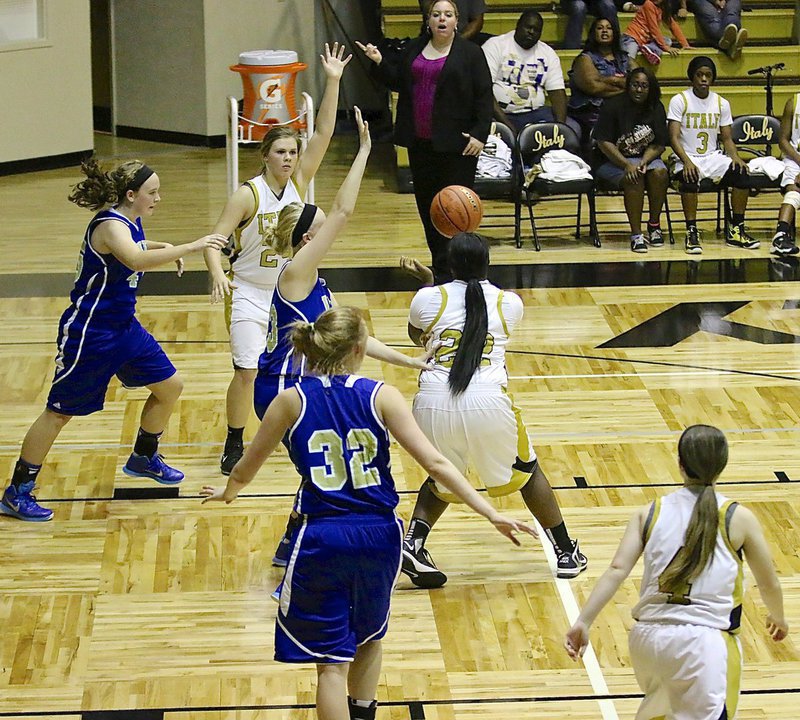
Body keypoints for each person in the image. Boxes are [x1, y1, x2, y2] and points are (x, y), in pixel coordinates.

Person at [200, 305, 536, 720]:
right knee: (371, 636)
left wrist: (229, 491)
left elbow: (248, 466)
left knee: (330, 666)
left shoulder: (290, 400)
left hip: (321, 535)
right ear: (360, 350)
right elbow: (438, 465)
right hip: (380, 534)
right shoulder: (382, 395)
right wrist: (490, 513)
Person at [253, 108, 433, 566]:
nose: (323, 228)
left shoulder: (312, 281)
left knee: (319, 472)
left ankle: (291, 548)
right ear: (306, 236)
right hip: (281, 387)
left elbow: (351, 340)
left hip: (294, 385)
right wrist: (366, 151)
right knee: (322, 474)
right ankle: (302, 553)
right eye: (315, 226)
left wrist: (408, 363)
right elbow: (345, 210)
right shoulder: (295, 272)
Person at [0, 159, 227, 522]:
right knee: (59, 413)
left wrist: (161, 244)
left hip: (124, 328)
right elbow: (135, 258)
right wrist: (190, 246)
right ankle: (17, 492)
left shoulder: (127, 220)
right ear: (131, 194)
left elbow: (136, 245)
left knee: (170, 386)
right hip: (91, 334)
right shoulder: (108, 225)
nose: (158, 198)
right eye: (152, 192)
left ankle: (143, 457)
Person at [400, 233, 587, 587]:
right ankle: (565, 552)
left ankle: (413, 542)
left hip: (433, 400)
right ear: (488, 263)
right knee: (527, 472)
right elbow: (472, 312)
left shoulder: (427, 298)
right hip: (487, 401)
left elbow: (419, 336)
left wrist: (427, 283)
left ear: (449, 265)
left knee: (443, 473)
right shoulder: (509, 303)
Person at [565, 424, 788, 720]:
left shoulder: (650, 511)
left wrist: (583, 620)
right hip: (702, 644)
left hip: (647, 641)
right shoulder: (738, 517)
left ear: (680, 464)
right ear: (722, 465)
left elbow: (617, 569)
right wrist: (778, 617)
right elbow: (768, 582)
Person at [204, 43, 351, 476]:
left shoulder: (301, 183)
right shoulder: (247, 193)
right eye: (281, 152)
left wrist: (333, 80)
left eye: (293, 152)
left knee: (324, 358)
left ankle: (314, 425)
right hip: (250, 289)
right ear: (265, 155)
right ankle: (235, 439)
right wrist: (217, 274)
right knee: (247, 371)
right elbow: (215, 241)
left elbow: (322, 133)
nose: (289, 158)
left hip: (293, 290)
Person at [357, 0, 493, 284]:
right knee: (430, 209)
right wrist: (379, 61)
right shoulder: (415, 49)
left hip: (458, 147)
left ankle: (463, 271)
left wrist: (481, 134)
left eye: (448, 15)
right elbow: (398, 82)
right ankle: (441, 270)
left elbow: (483, 96)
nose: (442, 19)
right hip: (421, 144)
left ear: (457, 21)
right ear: (428, 20)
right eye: (436, 15)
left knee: (457, 210)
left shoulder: (471, 54)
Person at [667, 56, 756, 255]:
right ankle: (691, 231)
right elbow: (673, 137)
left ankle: (736, 229)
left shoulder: (721, 103)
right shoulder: (679, 100)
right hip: (686, 155)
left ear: (713, 78)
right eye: (700, 75)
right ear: (692, 77)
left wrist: (736, 157)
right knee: (689, 179)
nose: (704, 79)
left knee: (741, 174)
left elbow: (726, 138)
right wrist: (687, 161)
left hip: (711, 156)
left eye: (708, 75)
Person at [594, 67, 669, 253]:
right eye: (635, 85)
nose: (639, 90)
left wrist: (644, 161)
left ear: (650, 89)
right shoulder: (612, 106)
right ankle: (636, 235)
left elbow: (659, 144)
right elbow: (603, 142)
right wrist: (627, 165)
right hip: (612, 161)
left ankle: (654, 225)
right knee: (634, 177)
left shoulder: (656, 107)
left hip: (645, 157)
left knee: (660, 173)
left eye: (644, 86)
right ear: (628, 86)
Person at [482, 11, 579, 137]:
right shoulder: (495, 45)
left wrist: (559, 128)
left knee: (573, 128)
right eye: (528, 27)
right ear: (518, 25)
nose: (531, 32)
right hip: (500, 114)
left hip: (535, 113)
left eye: (536, 30)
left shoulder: (547, 53)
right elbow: (484, 90)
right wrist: (507, 125)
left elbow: (557, 93)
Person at [567, 18, 632, 156]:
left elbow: (639, 83)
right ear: (593, 33)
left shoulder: (625, 58)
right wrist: (622, 84)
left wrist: (607, 80)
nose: (604, 31)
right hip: (590, 115)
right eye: (600, 28)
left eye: (608, 28)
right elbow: (594, 87)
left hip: (621, 114)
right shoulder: (585, 58)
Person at [770, 94, 800, 257]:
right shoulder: (794, 102)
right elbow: (783, 141)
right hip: (795, 159)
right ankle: (780, 236)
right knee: (794, 190)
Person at [620, 0, 689, 65]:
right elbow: (653, 28)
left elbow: (672, 24)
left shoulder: (663, 7)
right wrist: (665, 47)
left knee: (667, 40)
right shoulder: (648, 3)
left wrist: (685, 44)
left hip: (646, 40)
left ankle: (649, 48)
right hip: (632, 37)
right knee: (629, 60)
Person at [418, 0, 487, 43]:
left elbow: (477, 22)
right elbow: (428, 10)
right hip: (431, 39)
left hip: (464, 40)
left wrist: (457, 42)